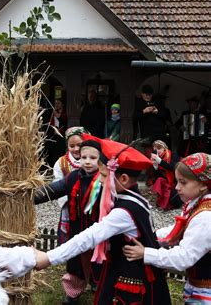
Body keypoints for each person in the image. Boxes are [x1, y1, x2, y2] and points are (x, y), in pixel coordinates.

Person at [35, 136, 171, 305]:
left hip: (130, 274)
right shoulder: (134, 199)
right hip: (129, 268)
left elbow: (90, 236)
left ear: (123, 180)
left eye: (104, 175)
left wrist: (49, 258)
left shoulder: (123, 211)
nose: (99, 180)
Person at [123, 152, 211, 304]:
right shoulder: (197, 202)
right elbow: (180, 229)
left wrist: (146, 253)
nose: (177, 187)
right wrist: (152, 236)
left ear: (203, 184)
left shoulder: (205, 217)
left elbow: (184, 257)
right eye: (177, 181)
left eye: (183, 182)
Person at [34, 140, 103, 303]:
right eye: (84, 157)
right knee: (76, 261)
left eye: (93, 158)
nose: (87, 161)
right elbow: (54, 190)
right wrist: (31, 198)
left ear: (100, 159)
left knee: (100, 259)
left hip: (99, 230)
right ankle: (73, 291)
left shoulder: (105, 179)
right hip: (77, 228)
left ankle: (97, 284)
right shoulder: (73, 177)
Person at [53, 126, 88, 242]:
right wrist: (68, 201)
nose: (76, 149)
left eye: (79, 145)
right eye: (71, 146)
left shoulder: (91, 161)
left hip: (88, 204)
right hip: (69, 206)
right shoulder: (61, 163)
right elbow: (57, 182)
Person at [150, 140, 181, 210]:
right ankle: (160, 202)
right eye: (155, 149)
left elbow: (173, 167)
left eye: (159, 148)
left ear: (164, 148)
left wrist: (160, 161)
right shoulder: (157, 158)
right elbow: (157, 175)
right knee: (159, 180)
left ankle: (166, 204)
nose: (157, 151)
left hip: (174, 180)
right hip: (164, 180)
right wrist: (155, 166)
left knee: (167, 188)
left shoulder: (173, 155)